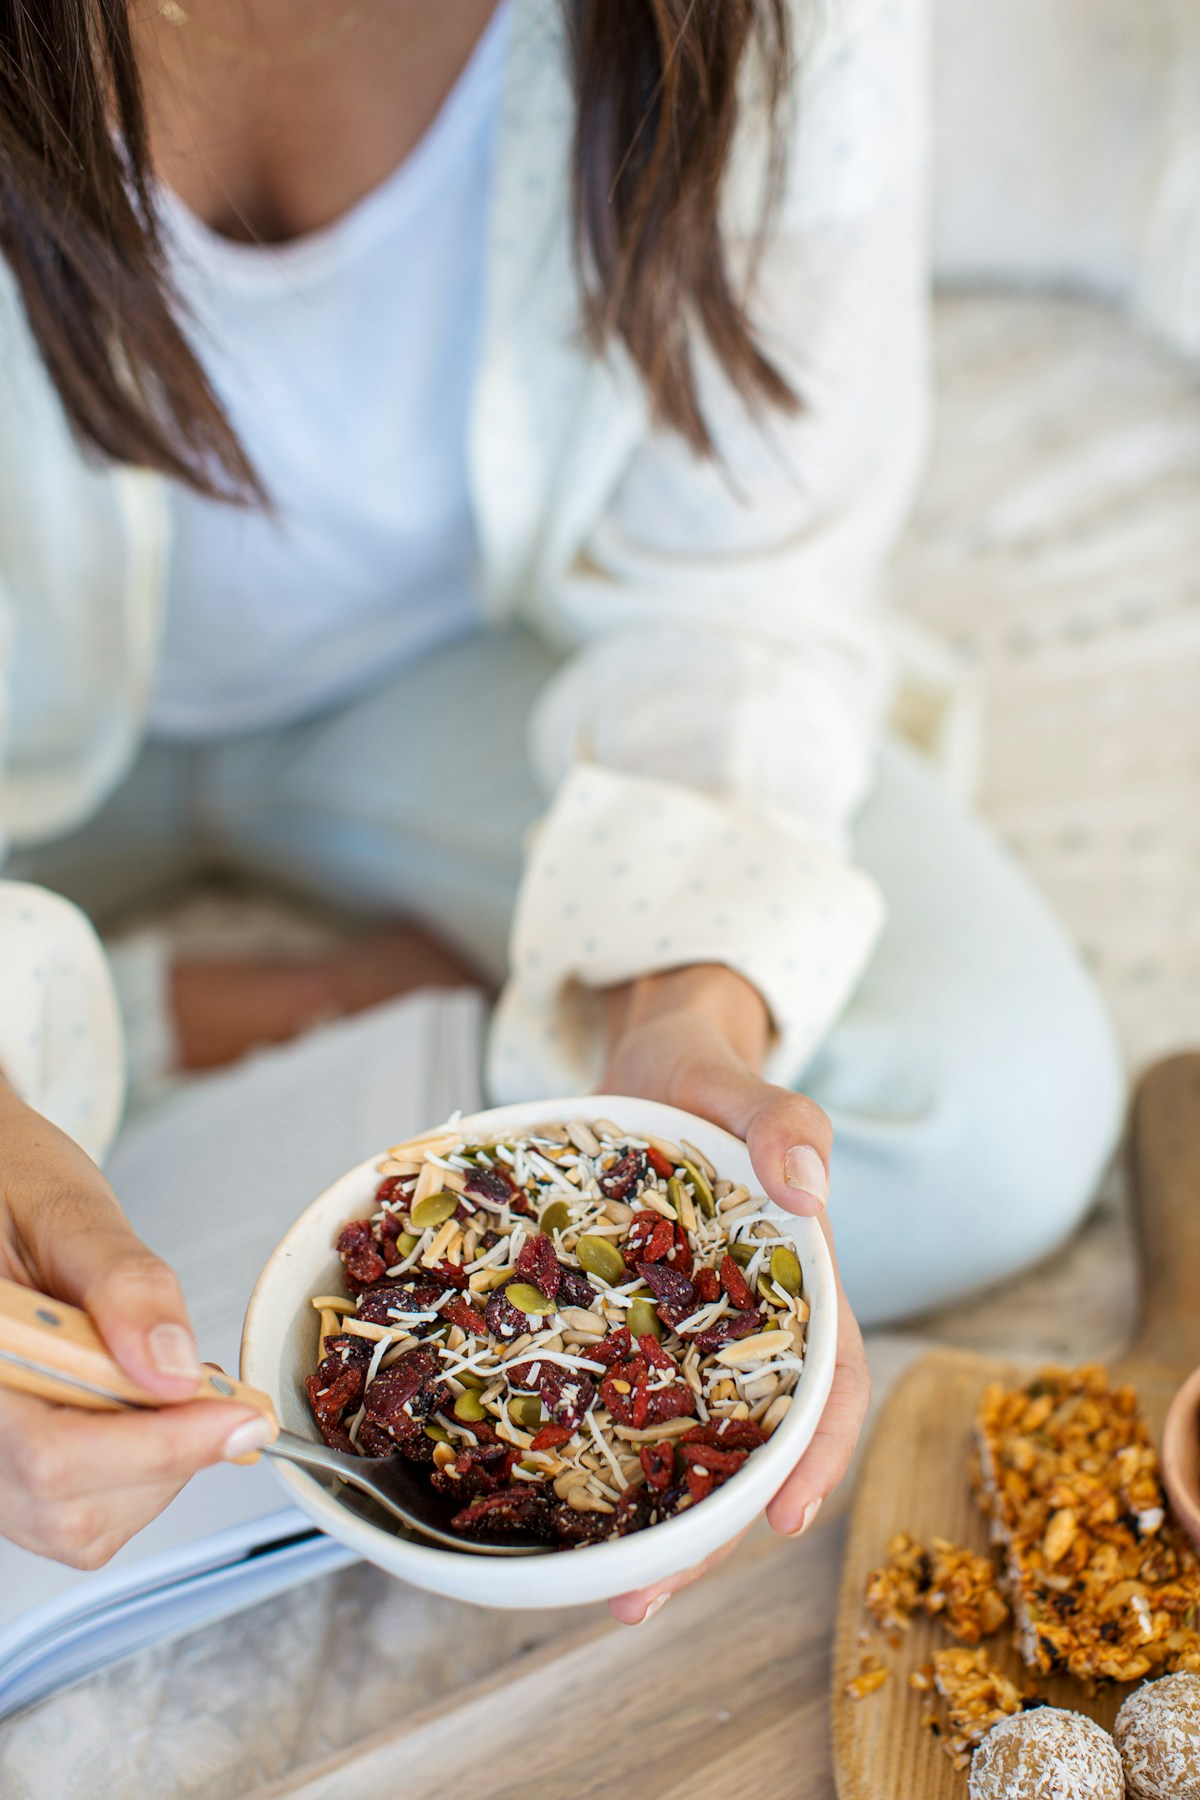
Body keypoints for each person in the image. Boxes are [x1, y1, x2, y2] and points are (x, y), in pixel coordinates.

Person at [0, 0, 1121, 1624]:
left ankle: (246, 1012)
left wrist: (686, 1009)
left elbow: (741, 579)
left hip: (460, 675)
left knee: (991, 1096)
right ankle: (237, 1017)